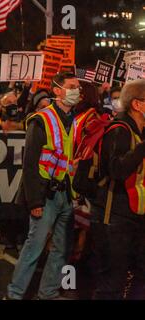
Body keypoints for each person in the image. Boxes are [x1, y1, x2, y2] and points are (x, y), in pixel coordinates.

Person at [7, 72, 80, 300]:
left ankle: (48, 293)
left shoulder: (74, 120)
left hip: (66, 194)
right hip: (45, 196)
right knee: (34, 248)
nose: (76, 90)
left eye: (77, 86)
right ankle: (14, 295)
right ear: (57, 90)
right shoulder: (42, 119)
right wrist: (35, 201)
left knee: (61, 248)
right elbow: (29, 164)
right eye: (72, 86)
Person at [91, 79, 145, 300]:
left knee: (137, 275)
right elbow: (116, 169)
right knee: (112, 281)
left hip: (133, 215)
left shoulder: (139, 130)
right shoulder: (119, 129)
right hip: (113, 217)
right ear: (137, 104)